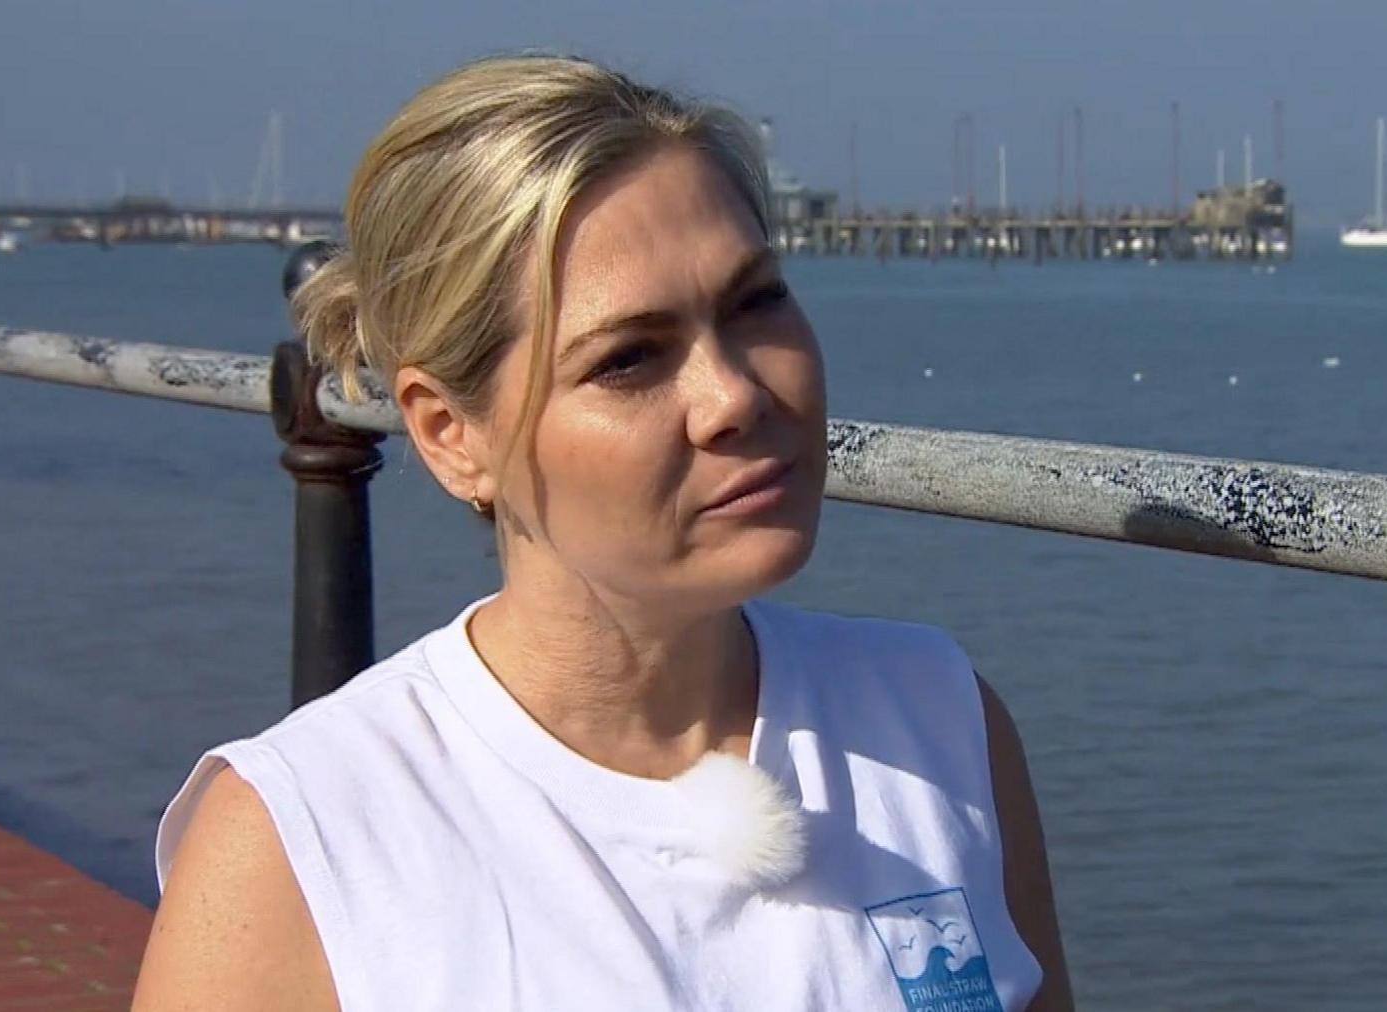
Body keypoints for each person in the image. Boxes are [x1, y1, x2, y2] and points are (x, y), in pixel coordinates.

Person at [133, 53, 1073, 1011]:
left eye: (757, 303)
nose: (736, 395)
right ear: (451, 434)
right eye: (628, 360)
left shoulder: (938, 719)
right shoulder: (305, 841)